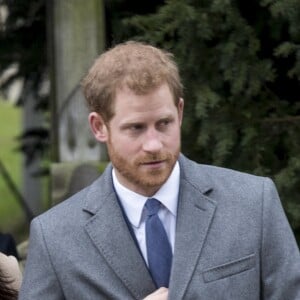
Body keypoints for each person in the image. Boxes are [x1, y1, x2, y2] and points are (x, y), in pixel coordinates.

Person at [19, 41, 300, 299]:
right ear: (99, 127)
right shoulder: (55, 238)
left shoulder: (253, 203)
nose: (153, 144)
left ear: (179, 112)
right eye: (136, 128)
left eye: (164, 123)